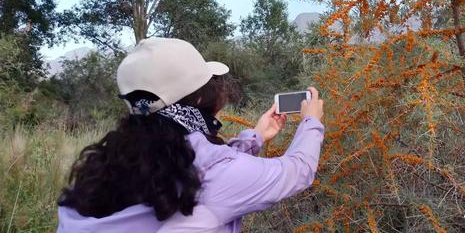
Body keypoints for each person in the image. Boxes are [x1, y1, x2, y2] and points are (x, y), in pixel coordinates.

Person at [56, 37, 325, 232]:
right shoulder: (212, 175)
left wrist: (254, 137)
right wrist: (311, 121)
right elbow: (299, 170)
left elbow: (209, 165)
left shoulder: (107, 164)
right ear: (198, 98)